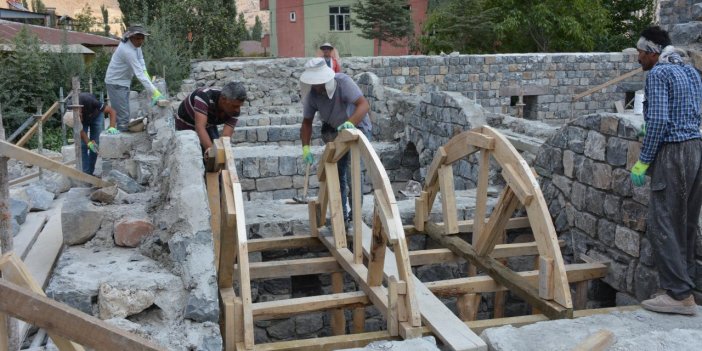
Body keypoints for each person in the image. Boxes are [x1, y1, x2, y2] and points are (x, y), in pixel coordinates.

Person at [630, 26, 702, 315]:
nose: (638, 58)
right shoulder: (691, 72)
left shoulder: (659, 74)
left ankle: (678, 294)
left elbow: (659, 121)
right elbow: (692, 111)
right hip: (696, 147)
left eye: (640, 52)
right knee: (684, 221)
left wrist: (644, 159)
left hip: (675, 153)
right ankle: (684, 285)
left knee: (663, 222)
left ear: (652, 51)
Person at [299, 57, 371, 226]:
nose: (318, 87)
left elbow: (363, 105)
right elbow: (306, 123)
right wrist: (306, 148)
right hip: (335, 131)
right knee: (339, 174)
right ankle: (342, 217)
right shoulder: (312, 96)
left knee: (354, 172)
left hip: (357, 127)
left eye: (320, 83)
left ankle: (356, 217)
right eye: (315, 84)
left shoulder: (343, 82)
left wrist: (350, 123)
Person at [105, 24, 163, 132]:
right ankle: (122, 142)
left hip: (124, 81)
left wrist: (147, 77)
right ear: (130, 37)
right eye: (137, 38)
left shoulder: (136, 46)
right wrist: (154, 91)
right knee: (123, 115)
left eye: (142, 38)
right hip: (116, 83)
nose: (140, 41)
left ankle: (122, 134)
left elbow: (141, 61)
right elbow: (139, 73)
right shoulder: (127, 51)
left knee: (124, 111)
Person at [175, 82, 247, 155]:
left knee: (218, 152)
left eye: (239, 106)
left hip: (208, 124)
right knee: (192, 155)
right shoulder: (204, 96)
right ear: (223, 99)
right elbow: (200, 127)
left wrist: (217, 154)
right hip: (185, 124)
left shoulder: (234, 110)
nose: (237, 110)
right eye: (235, 106)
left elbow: (225, 136)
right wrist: (210, 151)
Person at [62, 93, 119, 175]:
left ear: (80, 112)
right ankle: (86, 173)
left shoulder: (89, 101)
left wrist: (112, 127)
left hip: (96, 115)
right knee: (83, 146)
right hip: (83, 118)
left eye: (80, 119)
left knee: (95, 143)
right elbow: (79, 129)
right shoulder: (69, 111)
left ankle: (90, 172)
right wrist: (88, 142)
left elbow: (112, 111)